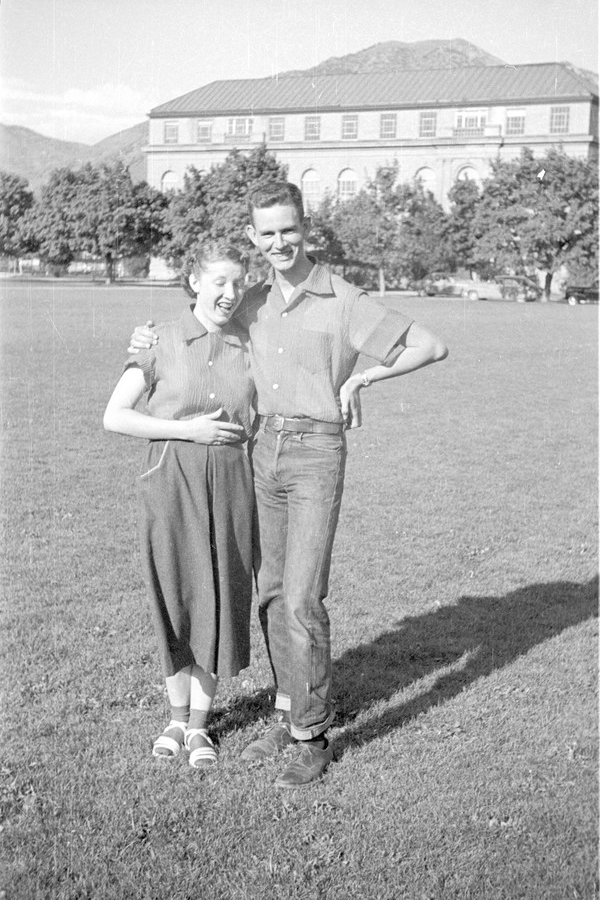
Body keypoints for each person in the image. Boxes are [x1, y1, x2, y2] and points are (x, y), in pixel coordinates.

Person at [130, 182, 448, 788]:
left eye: (289, 230)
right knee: (271, 592)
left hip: (316, 453)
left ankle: (313, 734)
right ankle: (287, 707)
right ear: (254, 238)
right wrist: (144, 341)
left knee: (301, 596)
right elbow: (198, 331)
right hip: (260, 451)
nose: (279, 242)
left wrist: (363, 380)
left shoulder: (343, 298)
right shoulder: (249, 301)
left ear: (307, 229)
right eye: (267, 233)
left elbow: (433, 345)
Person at [104, 243, 255, 770]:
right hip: (169, 481)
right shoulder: (160, 339)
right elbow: (116, 416)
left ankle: (199, 726)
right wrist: (187, 430)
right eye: (218, 281)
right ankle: (174, 716)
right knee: (174, 593)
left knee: (218, 594)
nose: (229, 294)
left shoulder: (251, 341)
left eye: (237, 283)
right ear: (193, 281)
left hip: (233, 485)